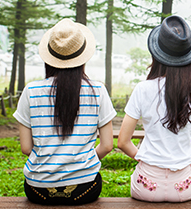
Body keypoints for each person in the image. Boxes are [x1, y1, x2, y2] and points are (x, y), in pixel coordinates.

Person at [117, 15, 191, 202]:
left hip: (146, 185)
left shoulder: (143, 89)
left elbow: (123, 141)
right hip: (184, 186)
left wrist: (145, 158)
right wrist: (184, 159)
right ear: (190, 56)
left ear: (157, 54)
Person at [14, 19, 117, 205]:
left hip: (38, 190)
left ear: (49, 57)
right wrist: (82, 162)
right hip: (85, 189)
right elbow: (107, 145)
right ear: (83, 56)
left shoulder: (30, 92)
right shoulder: (98, 91)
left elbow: (26, 148)